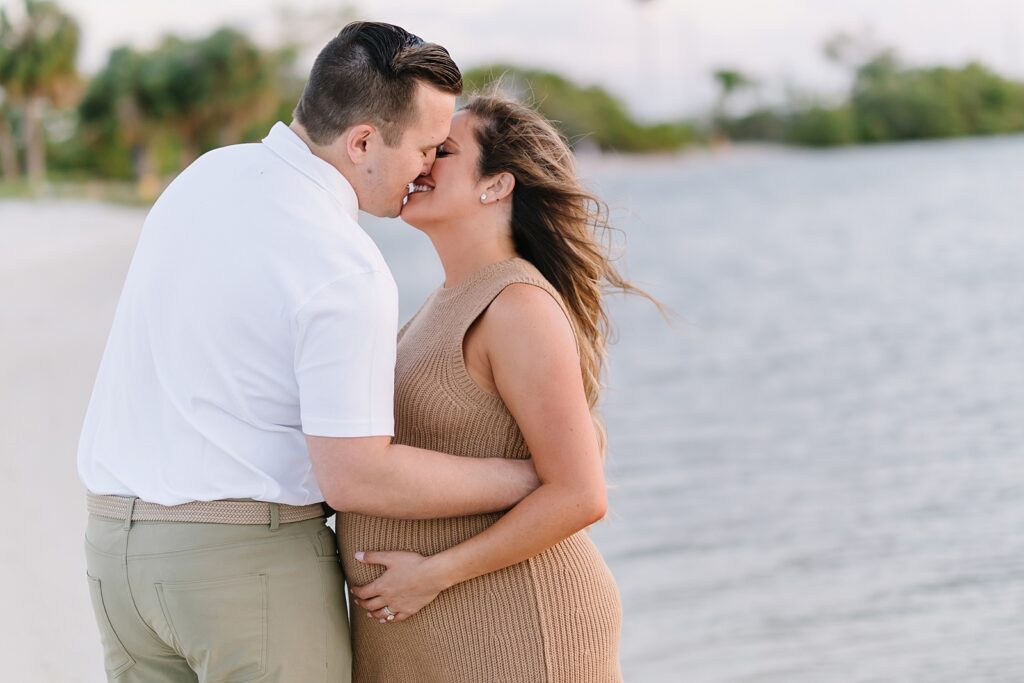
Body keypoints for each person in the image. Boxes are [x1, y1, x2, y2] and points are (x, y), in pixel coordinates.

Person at [78, 24, 538, 683]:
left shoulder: (204, 176)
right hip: (239, 571)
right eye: (425, 147)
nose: (427, 168)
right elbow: (357, 476)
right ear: (361, 142)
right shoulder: (343, 266)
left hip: (114, 557)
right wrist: (522, 476)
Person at [339, 94, 653, 682]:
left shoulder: (517, 306)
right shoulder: (446, 300)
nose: (422, 162)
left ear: (496, 185)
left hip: (513, 622)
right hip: (431, 627)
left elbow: (580, 495)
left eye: (443, 151)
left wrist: (435, 574)